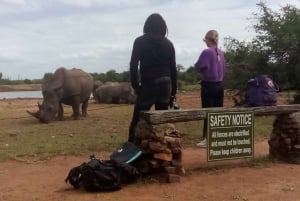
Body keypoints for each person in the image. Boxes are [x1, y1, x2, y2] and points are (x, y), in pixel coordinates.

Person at [128, 13, 177, 143]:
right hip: (166, 85)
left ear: (147, 26)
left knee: (137, 120)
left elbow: (133, 65)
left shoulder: (139, 41)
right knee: (161, 122)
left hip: (149, 85)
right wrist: (173, 94)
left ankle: (131, 148)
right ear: (163, 27)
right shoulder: (169, 44)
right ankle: (161, 152)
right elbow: (173, 70)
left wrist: (136, 86)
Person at [194, 30, 226, 147]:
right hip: (220, 85)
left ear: (208, 39)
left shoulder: (207, 52)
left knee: (208, 112)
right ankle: (217, 138)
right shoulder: (221, 53)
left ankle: (207, 139)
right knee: (217, 113)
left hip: (209, 85)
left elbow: (198, 67)